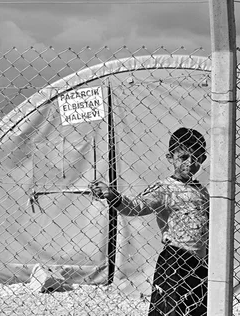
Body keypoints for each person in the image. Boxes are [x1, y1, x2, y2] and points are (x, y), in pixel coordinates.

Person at [89, 127, 209, 316]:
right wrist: (113, 196)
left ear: (203, 159)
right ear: (171, 157)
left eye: (197, 157)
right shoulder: (164, 189)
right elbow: (136, 206)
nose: (190, 163)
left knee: (197, 308)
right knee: (172, 310)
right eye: (184, 157)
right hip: (176, 261)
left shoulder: (202, 191)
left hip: (200, 261)